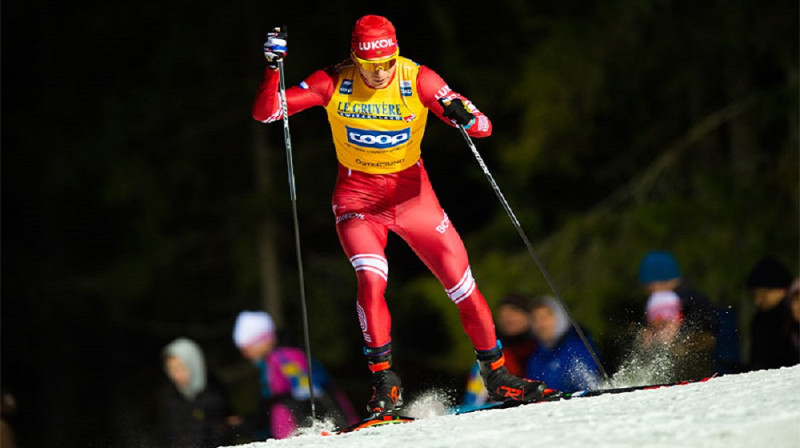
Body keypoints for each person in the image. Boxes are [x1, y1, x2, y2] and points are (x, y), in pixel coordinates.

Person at [252, 15, 550, 415]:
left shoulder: (418, 79)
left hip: (414, 199)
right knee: (372, 282)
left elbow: (483, 127)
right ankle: (385, 384)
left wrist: (462, 114)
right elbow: (267, 113)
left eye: (387, 63)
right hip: (358, 202)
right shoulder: (334, 81)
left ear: (396, 55)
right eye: (371, 66)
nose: (380, 73)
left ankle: (496, 376)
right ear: (355, 60)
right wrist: (273, 68)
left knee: (463, 285)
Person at [233, 311, 357, 439]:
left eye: (246, 348)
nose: (246, 355)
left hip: (311, 422)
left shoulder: (284, 358)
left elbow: (303, 393)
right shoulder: (272, 360)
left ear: (262, 341)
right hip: (306, 419)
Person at [632, 250, 719, 382]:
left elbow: (710, 338)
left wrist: (681, 347)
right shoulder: (683, 300)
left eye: (648, 285)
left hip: (706, 374)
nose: (647, 290)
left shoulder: (690, 303)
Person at [462, 293, 538, 408]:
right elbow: (473, 401)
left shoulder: (543, 348)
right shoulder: (493, 356)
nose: (508, 318)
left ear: (528, 316)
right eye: (503, 314)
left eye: (514, 311)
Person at [159, 337, 238, 448]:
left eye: (180, 368)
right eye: (171, 369)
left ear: (193, 364)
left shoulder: (215, 390)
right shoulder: (171, 398)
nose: (175, 375)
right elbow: (171, 435)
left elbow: (230, 425)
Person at [525, 296, 601, 393]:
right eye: (535, 319)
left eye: (545, 317)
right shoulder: (534, 358)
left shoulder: (576, 349)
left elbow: (589, 387)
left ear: (559, 318)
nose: (541, 324)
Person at [745, 256, 797, 370]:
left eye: (763, 295)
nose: (757, 301)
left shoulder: (794, 317)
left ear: (782, 290)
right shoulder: (760, 320)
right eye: (754, 296)